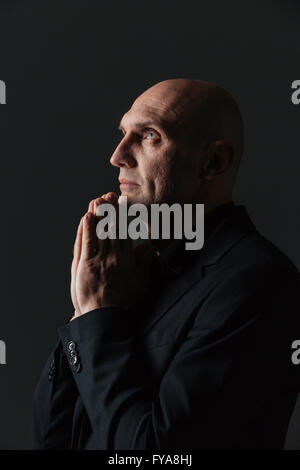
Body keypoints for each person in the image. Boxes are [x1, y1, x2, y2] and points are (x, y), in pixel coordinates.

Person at [32, 78, 300, 449]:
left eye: (149, 135)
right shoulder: (132, 275)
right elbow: (52, 440)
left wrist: (96, 316)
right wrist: (86, 312)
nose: (117, 155)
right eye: (124, 132)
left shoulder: (257, 283)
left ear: (214, 161)